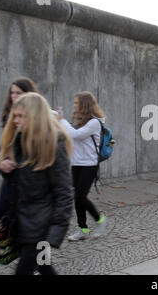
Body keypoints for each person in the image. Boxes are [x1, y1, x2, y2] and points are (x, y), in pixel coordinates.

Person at [0, 92, 73, 275]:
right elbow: (12, 173)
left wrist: (54, 234)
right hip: (22, 222)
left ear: (34, 117)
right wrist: (3, 165)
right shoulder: (19, 139)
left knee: (25, 271)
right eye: (15, 115)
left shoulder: (54, 144)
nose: (15, 120)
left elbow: (64, 193)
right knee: (44, 267)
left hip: (41, 229)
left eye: (20, 116)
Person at [58, 91, 107, 241]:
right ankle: (83, 229)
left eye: (76, 103)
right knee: (77, 198)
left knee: (80, 197)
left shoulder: (94, 122)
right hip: (76, 163)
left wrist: (62, 121)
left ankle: (100, 219)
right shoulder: (79, 121)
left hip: (89, 165)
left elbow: (76, 135)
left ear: (84, 105)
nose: (74, 106)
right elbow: (71, 136)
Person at [0, 78, 38, 221]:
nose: (14, 96)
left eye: (18, 93)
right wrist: (2, 162)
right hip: (12, 178)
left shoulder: (38, 117)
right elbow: (2, 149)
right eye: (12, 92)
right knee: (4, 213)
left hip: (32, 180)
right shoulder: (9, 116)